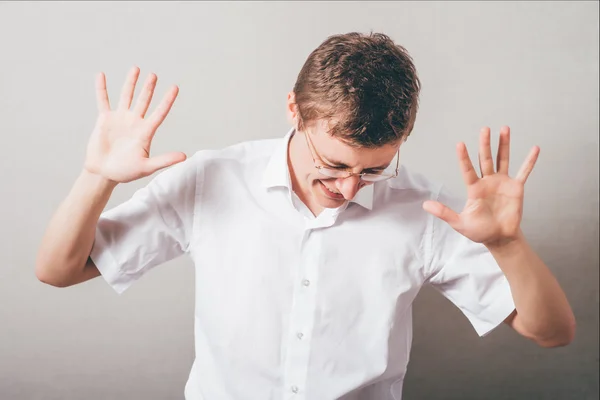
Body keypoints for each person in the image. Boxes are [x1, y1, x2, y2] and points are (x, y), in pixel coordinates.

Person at [36, 32, 575, 399]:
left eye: (374, 170)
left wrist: (508, 246)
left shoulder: (425, 208)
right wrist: (98, 177)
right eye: (334, 163)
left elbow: (552, 333)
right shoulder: (212, 179)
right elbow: (58, 270)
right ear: (294, 109)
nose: (348, 187)